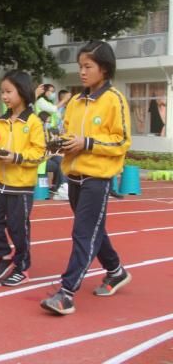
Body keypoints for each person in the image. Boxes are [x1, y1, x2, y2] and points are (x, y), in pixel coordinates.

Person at [41, 41, 132, 315]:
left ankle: (66, 292)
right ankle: (115, 271)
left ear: (103, 69)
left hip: (98, 178)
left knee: (83, 232)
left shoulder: (114, 99)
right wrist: (60, 143)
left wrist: (87, 143)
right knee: (94, 230)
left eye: (87, 66)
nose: (81, 72)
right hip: (75, 177)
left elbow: (123, 141)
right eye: (80, 66)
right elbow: (69, 134)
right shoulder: (76, 102)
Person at [0, 70, 45, 286]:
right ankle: (5, 255)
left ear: (23, 92)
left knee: (18, 228)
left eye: (8, 91)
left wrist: (16, 157)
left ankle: (23, 267)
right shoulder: (2, 121)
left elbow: (39, 154)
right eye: (2, 92)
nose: (4, 96)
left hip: (21, 186)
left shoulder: (33, 122)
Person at [38, 111, 67, 200]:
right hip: (39, 160)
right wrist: (51, 154)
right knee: (56, 164)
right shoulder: (37, 131)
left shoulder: (47, 131)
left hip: (47, 157)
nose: (49, 124)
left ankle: (60, 187)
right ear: (41, 121)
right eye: (48, 122)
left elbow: (50, 148)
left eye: (50, 122)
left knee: (61, 160)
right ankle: (58, 186)